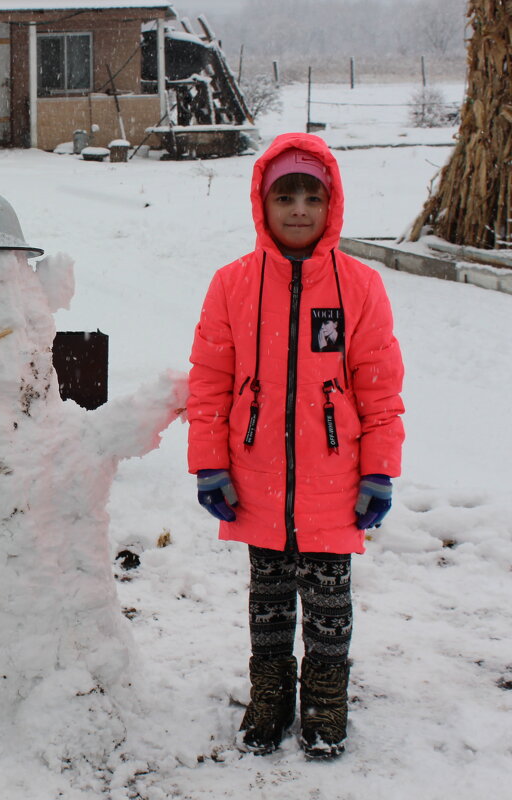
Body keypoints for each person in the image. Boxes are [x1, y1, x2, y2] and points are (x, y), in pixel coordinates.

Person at [186, 133, 405, 760]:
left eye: (314, 195)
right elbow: (209, 384)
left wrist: (379, 472)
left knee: (330, 598)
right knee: (270, 598)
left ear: (331, 204)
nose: (301, 209)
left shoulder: (359, 287)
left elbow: (382, 389)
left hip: (336, 478)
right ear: (263, 201)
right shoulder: (232, 285)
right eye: (287, 195)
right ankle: (272, 690)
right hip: (254, 477)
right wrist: (209, 462)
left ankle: (327, 694)